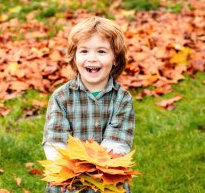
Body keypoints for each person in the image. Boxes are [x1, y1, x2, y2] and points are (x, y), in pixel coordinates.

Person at [42, 16, 135, 193]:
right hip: (69, 177)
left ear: (115, 58)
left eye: (101, 51)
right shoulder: (61, 97)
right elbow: (55, 143)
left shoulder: (123, 99)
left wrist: (97, 171)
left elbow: (118, 143)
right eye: (84, 51)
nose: (92, 58)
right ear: (74, 57)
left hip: (107, 175)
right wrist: (76, 171)